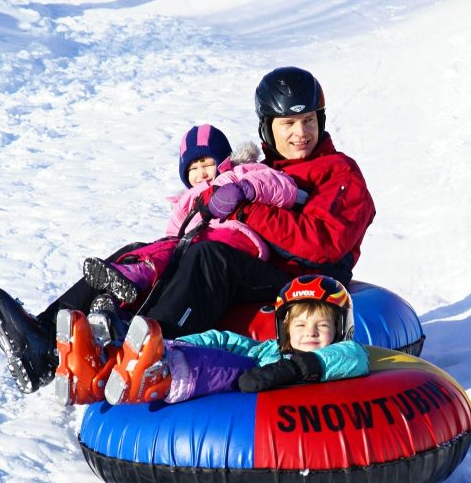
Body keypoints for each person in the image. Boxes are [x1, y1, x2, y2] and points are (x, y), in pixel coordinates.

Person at [0, 66, 375, 396]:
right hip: (259, 261)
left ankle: (146, 346)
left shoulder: (339, 172)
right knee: (147, 252)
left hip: (302, 281)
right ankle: (44, 337)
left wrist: (244, 207)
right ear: (268, 128)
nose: (300, 134)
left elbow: (321, 244)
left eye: (308, 121)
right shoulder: (267, 170)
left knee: (209, 258)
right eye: (288, 124)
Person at [80, 124, 306, 344]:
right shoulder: (185, 201)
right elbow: (172, 236)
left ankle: (137, 275)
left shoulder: (239, 172)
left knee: (187, 251)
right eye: (193, 168)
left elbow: (282, 186)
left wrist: (245, 189)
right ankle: (117, 313)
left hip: (234, 240)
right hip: (194, 244)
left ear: (224, 161)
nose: (201, 174)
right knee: (167, 254)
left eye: (207, 164)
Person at [55, 275, 368, 406]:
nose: (310, 332)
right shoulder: (269, 350)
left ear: (341, 329)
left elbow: (353, 357)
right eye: (299, 324)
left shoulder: (344, 354)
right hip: (251, 370)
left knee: (223, 368)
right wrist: (176, 343)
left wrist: (300, 368)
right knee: (216, 348)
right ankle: (96, 372)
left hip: (254, 395)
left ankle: (158, 377)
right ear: (285, 329)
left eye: (322, 325)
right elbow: (228, 341)